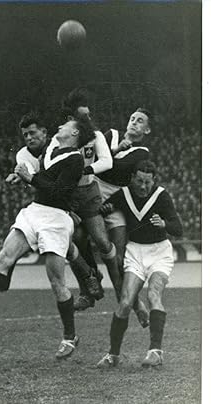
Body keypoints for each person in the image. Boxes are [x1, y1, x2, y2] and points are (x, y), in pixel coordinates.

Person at [0, 115, 97, 359]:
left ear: (75, 133)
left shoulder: (76, 160)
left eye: (66, 125)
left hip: (56, 218)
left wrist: (30, 178)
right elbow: (39, 174)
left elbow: (59, 191)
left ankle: (69, 336)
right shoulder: (53, 146)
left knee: (56, 281)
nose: (60, 126)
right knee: (5, 255)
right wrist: (21, 176)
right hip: (35, 211)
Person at [0, 112, 102, 299]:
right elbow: (34, 175)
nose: (29, 138)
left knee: (74, 239)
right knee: (58, 241)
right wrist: (21, 177)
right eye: (25, 135)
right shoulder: (23, 154)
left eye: (33, 133)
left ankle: (88, 278)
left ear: (44, 133)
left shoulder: (59, 146)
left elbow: (49, 179)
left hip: (71, 195)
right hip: (50, 202)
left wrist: (30, 178)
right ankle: (88, 276)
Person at [97, 160, 183, 368]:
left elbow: (178, 228)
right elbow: (103, 209)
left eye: (147, 182)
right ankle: (113, 355)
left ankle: (155, 352)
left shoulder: (161, 196)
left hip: (159, 252)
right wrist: (106, 208)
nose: (143, 187)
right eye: (139, 181)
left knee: (153, 295)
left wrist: (164, 224)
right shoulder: (124, 194)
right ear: (132, 178)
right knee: (125, 302)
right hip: (135, 251)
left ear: (154, 181)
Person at [75, 108, 151, 326]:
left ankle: (132, 304)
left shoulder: (142, 152)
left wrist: (112, 204)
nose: (134, 122)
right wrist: (115, 148)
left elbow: (120, 168)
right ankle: (91, 280)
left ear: (146, 129)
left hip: (116, 199)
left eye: (140, 121)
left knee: (117, 260)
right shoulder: (111, 134)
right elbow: (99, 159)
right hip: (93, 189)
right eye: (132, 118)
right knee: (78, 236)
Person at [61, 88, 122, 309]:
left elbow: (107, 161)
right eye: (83, 117)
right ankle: (88, 288)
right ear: (71, 119)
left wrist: (86, 171)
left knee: (102, 241)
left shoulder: (94, 135)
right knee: (75, 240)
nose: (89, 120)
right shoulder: (60, 139)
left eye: (89, 115)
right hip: (69, 198)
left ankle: (119, 285)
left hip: (89, 194)